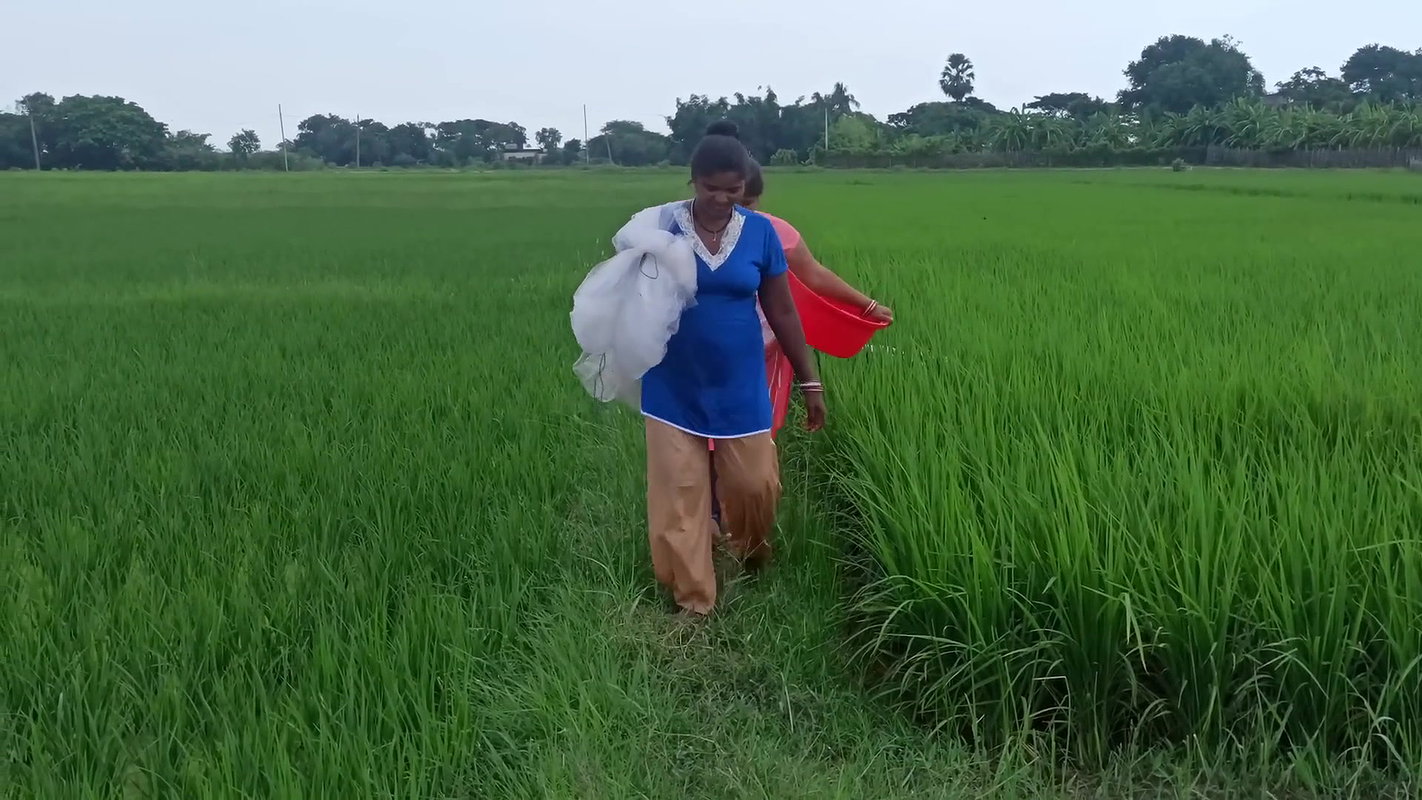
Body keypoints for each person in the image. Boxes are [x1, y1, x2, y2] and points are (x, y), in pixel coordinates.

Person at [637, 121, 826, 617]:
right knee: (680, 495)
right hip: (672, 384)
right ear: (692, 181)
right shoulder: (660, 228)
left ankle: (748, 550)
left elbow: (783, 311)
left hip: (740, 386)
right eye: (711, 188)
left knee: (754, 486)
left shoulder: (760, 233)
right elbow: (627, 298)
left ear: (747, 186)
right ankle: (694, 601)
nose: (722, 199)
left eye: (733, 189)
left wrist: (810, 380)